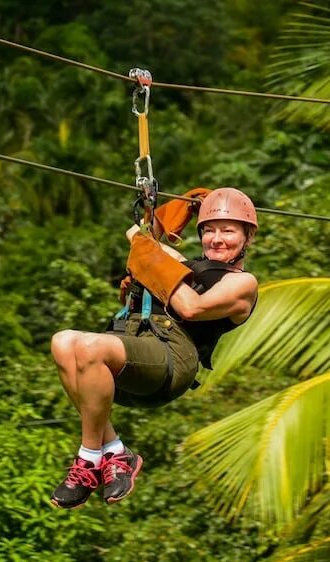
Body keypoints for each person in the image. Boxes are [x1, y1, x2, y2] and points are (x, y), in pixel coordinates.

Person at [49, 187, 259, 509]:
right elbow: (138, 234)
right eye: (209, 231)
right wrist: (181, 209)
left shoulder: (241, 283)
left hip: (172, 358)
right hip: (135, 350)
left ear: (247, 238)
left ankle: (89, 459)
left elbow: (191, 307)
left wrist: (152, 261)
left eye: (228, 231)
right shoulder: (185, 266)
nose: (217, 239)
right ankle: (115, 451)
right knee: (62, 342)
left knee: (90, 348)